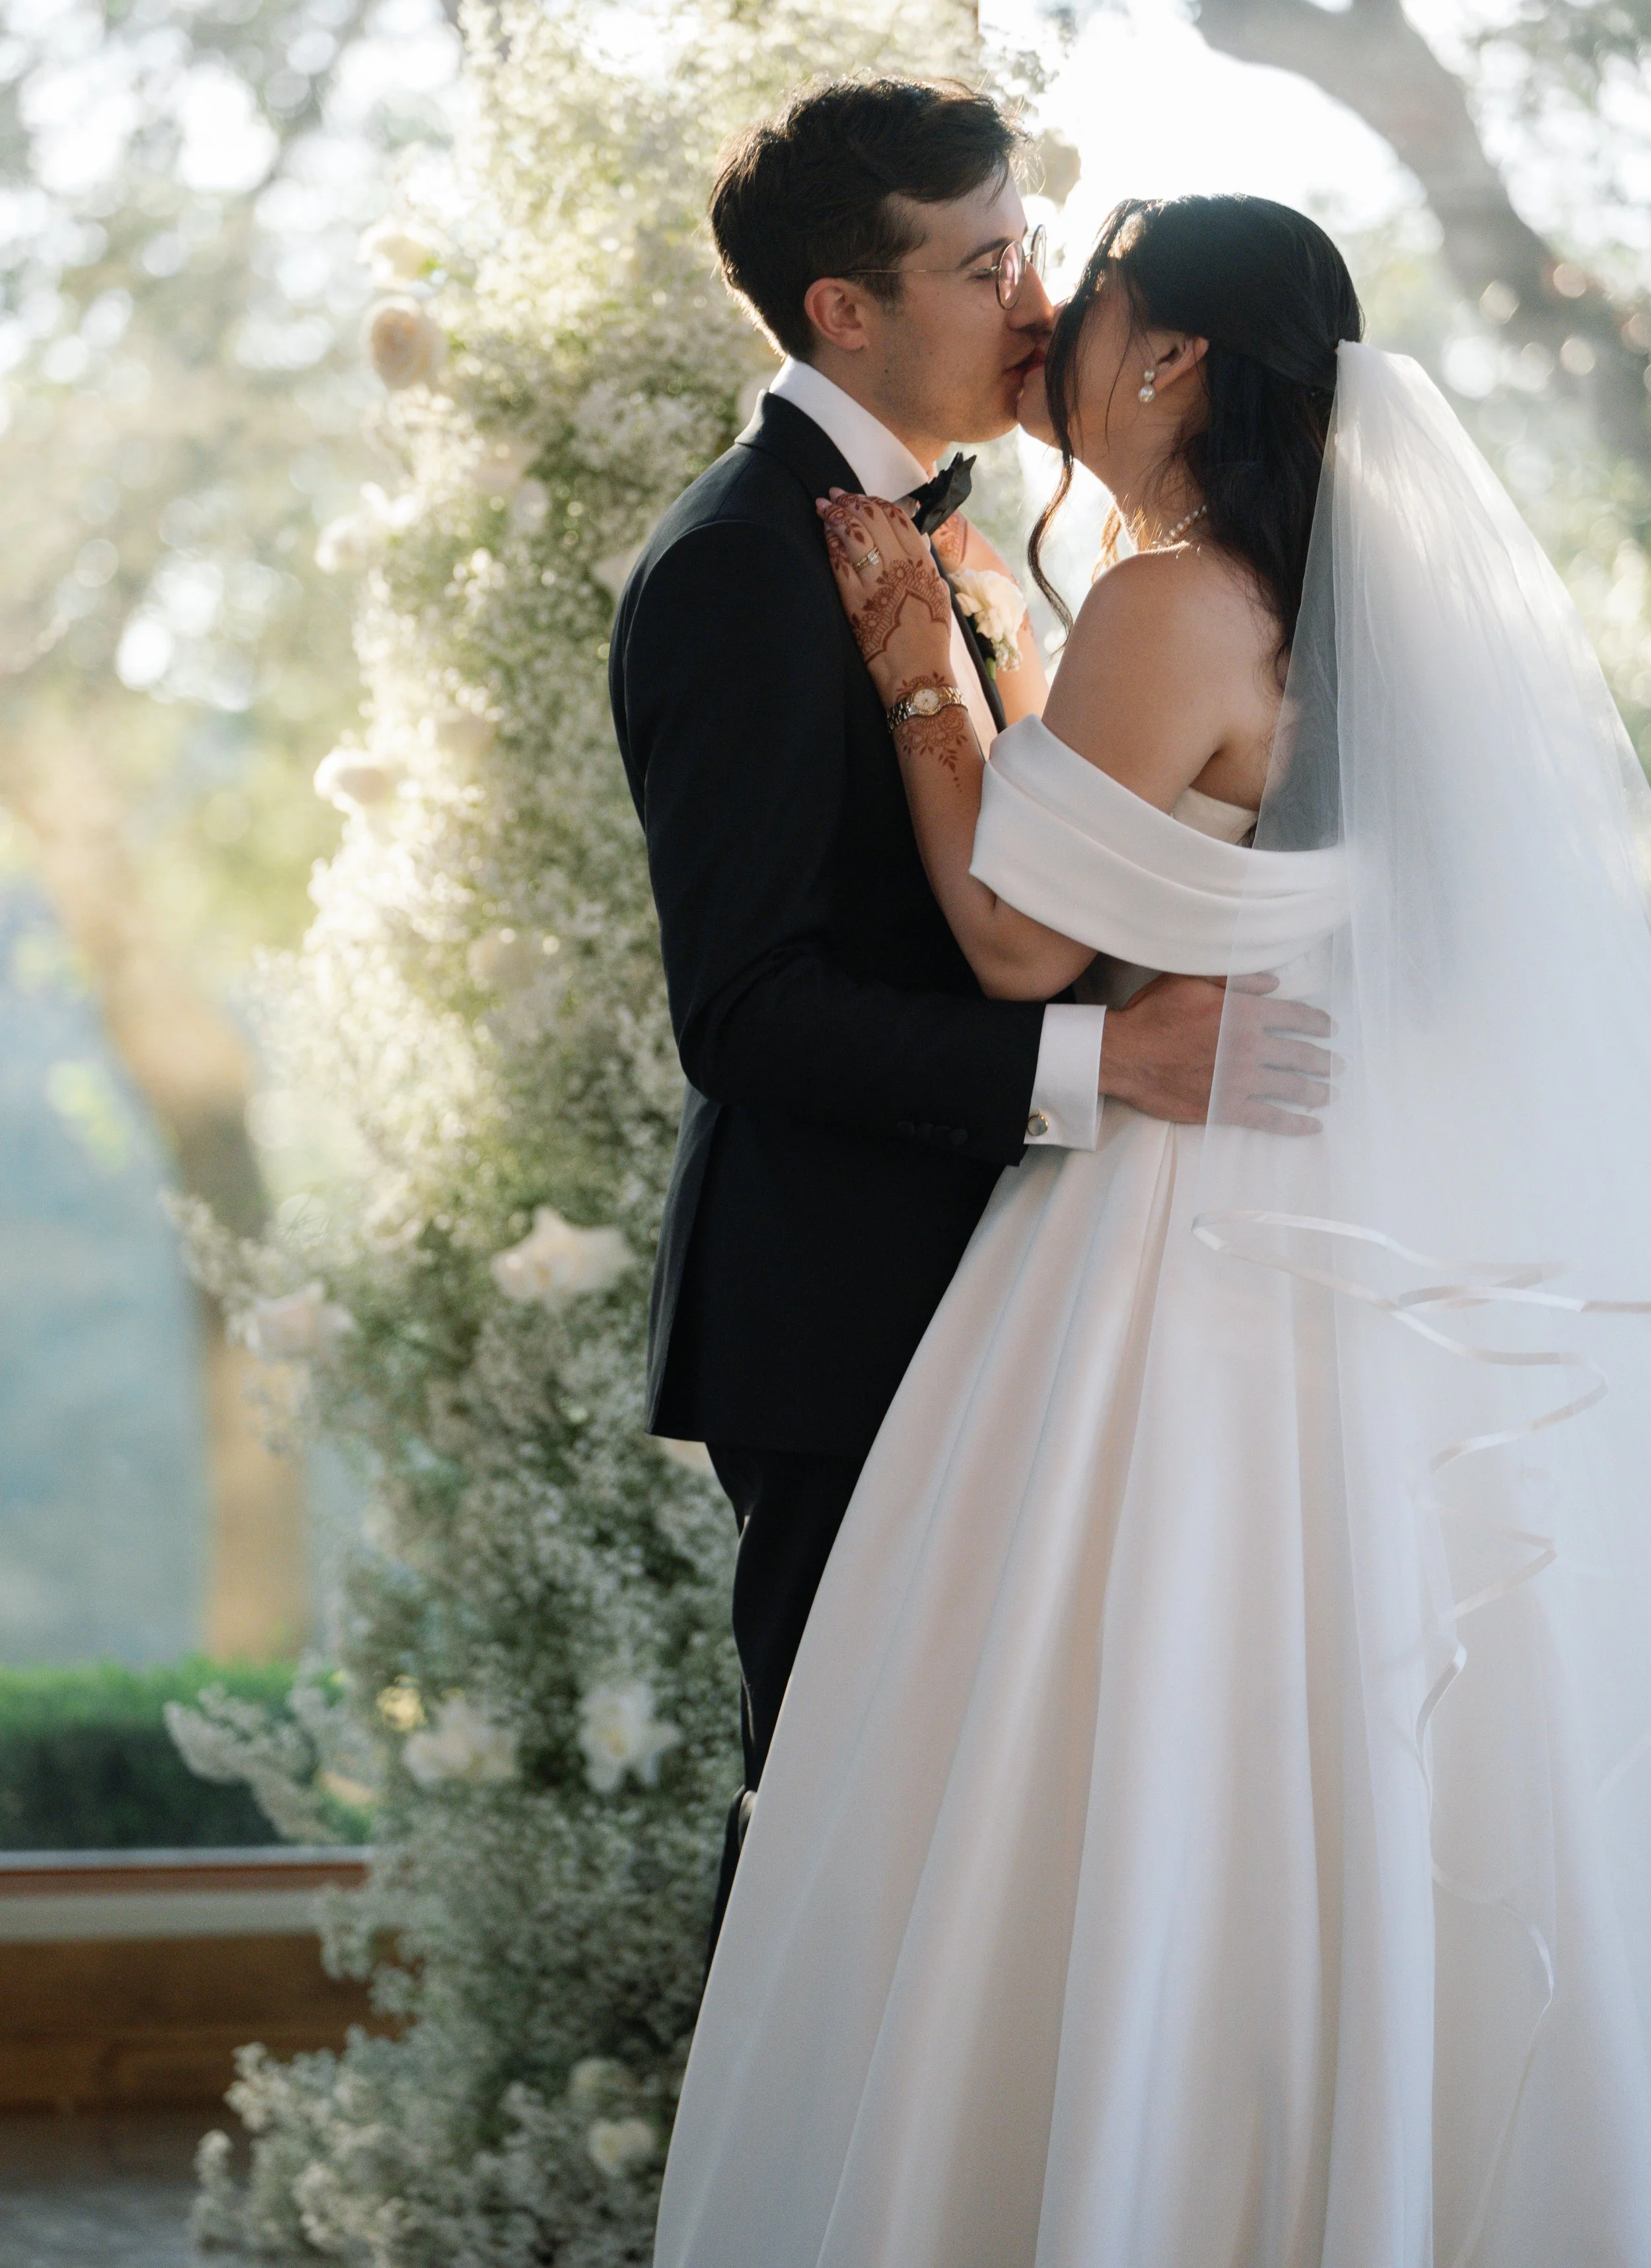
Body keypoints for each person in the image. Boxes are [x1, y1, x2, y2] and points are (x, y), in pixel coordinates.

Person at [652, 194, 1651, 2267]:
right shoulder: (1342, 615)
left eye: (1078, 300)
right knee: (1333, 1718)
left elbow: (1019, 940)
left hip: (1171, 1222)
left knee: (1101, 1728)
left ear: (1175, 356)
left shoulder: (1168, 600)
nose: (1041, 332)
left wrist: (933, 681)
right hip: (1345, 1220)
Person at [608, 85, 1332, 1952]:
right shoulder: (737, 570)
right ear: (841, 310)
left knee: (1019, 1844)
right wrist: (1110, 1061)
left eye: (1031, 247)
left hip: (1050, 1288)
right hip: (844, 1302)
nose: (1030, 297)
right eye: (983, 260)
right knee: (843, 1834)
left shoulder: (990, 541)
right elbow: (748, 1009)